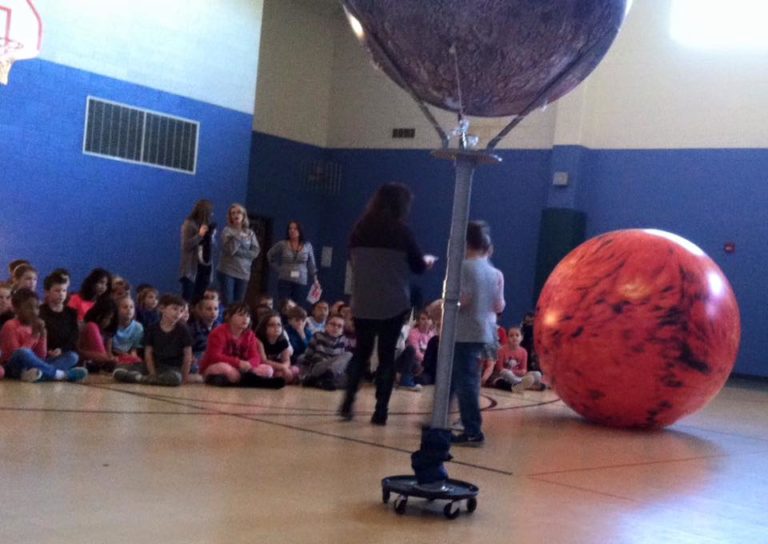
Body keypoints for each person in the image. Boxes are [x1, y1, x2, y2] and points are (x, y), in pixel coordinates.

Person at [339, 182, 435, 425]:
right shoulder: (402, 232)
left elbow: (352, 258)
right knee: (386, 357)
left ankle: (348, 402)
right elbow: (417, 266)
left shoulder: (360, 229)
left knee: (361, 353)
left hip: (363, 301)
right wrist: (426, 262)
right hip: (393, 302)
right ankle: (380, 411)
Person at [451, 221, 505, 447]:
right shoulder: (494, 272)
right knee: (458, 377)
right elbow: (499, 305)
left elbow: (464, 299)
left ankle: (472, 430)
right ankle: (440, 419)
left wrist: (443, 305)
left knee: (466, 381)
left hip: (465, 330)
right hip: (484, 330)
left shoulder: (465, 267)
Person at [0, 288, 86, 382]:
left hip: (34, 365)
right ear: (16, 309)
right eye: (29, 308)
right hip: (14, 367)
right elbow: (16, 355)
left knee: (72, 356)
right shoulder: (10, 325)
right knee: (23, 352)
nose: (34, 311)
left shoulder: (35, 326)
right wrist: (34, 336)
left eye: (37, 307)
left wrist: (43, 335)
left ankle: (39, 375)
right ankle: (61, 375)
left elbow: (41, 356)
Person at [113, 294, 193, 386]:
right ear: (162, 309)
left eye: (181, 311)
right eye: (175, 309)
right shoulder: (152, 328)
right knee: (118, 371)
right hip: (153, 366)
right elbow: (148, 353)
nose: (178, 313)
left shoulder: (184, 330)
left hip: (172, 368)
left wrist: (184, 377)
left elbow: (188, 356)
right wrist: (152, 373)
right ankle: (146, 379)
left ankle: (140, 378)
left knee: (175, 378)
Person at [199, 302, 284, 388]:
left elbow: (256, 357)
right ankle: (255, 381)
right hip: (217, 366)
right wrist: (238, 363)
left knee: (268, 370)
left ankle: (241, 381)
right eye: (241, 315)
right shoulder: (218, 333)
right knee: (228, 370)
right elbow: (215, 356)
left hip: (241, 368)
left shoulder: (250, 335)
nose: (245, 319)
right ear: (229, 317)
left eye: (248, 316)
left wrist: (249, 364)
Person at [216, 203, 259, 306]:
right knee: (228, 303)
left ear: (243, 215)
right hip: (227, 271)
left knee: (238, 304)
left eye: (239, 212)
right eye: (233, 213)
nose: (236, 215)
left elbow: (255, 252)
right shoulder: (227, 231)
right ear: (230, 216)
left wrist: (240, 253)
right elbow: (230, 250)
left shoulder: (250, 233)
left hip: (244, 272)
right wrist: (238, 236)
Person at [267, 220, 320, 303]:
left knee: (297, 305)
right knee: (284, 304)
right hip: (285, 279)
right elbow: (270, 255)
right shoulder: (282, 244)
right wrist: (278, 269)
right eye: (290, 228)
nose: (292, 230)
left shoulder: (307, 245)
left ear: (300, 231)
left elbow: (311, 264)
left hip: (300, 280)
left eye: (295, 228)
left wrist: (315, 280)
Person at [300, 313, 351, 391]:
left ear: (342, 330)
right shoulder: (317, 336)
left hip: (333, 371)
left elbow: (341, 363)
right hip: (319, 367)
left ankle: (319, 382)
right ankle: (324, 379)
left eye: (339, 326)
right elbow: (307, 356)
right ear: (326, 325)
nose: (336, 328)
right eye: (333, 324)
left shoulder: (343, 340)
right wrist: (304, 375)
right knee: (349, 354)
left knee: (350, 380)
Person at [39, 272, 80, 366]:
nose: (61, 294)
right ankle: (52, 370)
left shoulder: (71, 313)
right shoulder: (40, 312)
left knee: (73, 357)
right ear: (47, 292)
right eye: (57, 291)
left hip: (64, 353)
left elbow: (74, 337)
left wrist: (61, 350)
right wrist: (48, 350)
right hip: (45, 354)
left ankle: (44, 370)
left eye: (64, 291)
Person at [179, 199, 215, 303]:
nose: (212, 214)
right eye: (210, 212)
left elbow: (211, 247)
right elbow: (186, 245)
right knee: (188, 298)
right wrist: (200, 235)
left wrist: (211, 236)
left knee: (199, 300)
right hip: (191, 268)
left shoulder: (207, 225)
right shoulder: (189, 224)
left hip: (204, 267)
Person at [492, 325, 543, 392]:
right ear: (507, 338)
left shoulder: (524, 351)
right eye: (511, 336)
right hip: (505, 376)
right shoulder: (501, 350)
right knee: (506, 373)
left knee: (537, 374)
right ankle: (521, 384)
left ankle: (521, 384)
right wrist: (511, 372)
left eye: (517, 335)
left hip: (518, 376)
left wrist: (519, 372)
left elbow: (524, 370)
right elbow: (499, 369)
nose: (514, 337)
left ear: (522, 337)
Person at [254, 311, 298, 384]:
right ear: (263, 327)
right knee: (268, 371)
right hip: (262, 365)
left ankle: (276, 378)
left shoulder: (283, 341)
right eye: (271, 325)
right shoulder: (259, 340)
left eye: (279, 325)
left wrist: (285, 367)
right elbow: (263, 360)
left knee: (295, 370)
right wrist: (283, 367)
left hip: (277, 366)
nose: (276, 327)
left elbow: (287, 360)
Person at [397, 309, 435, 391]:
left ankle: (402, 378)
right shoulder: (413, 333)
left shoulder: (432, 335)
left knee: (427, 378)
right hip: (410, 362)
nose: (426, 322)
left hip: (422, 365)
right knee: (411, 350)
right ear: (418, 321)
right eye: (423, 319)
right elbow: (417, 352)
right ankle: (405, 379)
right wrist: (425, 363)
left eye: (428, 319)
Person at [78, 297, 119, 373]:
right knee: (92, 326)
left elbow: (108, 352)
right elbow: (103, 355)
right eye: (105, 318)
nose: (106, 321)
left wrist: (111, 358)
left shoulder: (108, 332)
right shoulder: (89, 326)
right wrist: (106, 358)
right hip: (84, 355)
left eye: (109, 318)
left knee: (132, 359)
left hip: (98, 359)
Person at [111, 295, 144, 365]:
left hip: (128, 354)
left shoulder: (138, 327)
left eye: (131, 307)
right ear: (117, 310)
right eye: (125, 307)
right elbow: (108, 347)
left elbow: (134, 349)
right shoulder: (111, 325)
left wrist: (132, 357)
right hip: (113, 354)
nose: (129, 309)